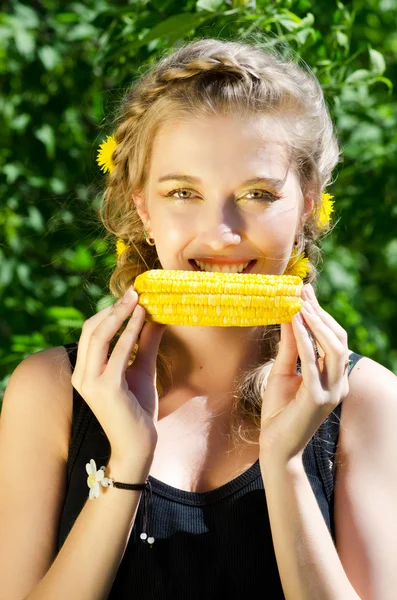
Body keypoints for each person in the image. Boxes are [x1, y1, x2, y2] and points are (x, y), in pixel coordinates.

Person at [0, 37, 396, 600]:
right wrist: (128, 459)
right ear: (142, 206)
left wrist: (284, 466)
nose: (222, 234)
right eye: (183, 191)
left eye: (258, 193)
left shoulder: (368, 403)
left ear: (308, 202)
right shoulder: (49, 394)